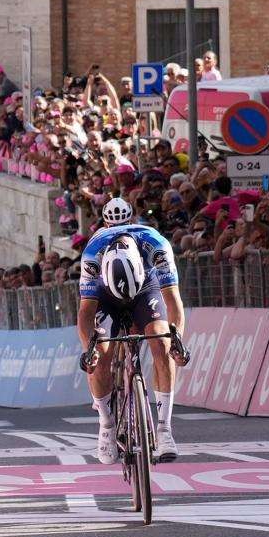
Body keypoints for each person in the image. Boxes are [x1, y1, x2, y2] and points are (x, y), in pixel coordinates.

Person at [77, 196, 189, 465]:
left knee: (162, 342)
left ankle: (164, 429)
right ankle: (106, 424)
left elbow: (173, 301)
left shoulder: (157, 247)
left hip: (145, 289)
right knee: (100, 355)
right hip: (105, 295)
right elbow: (85, 312)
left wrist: (178, 339)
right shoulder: (92, 255)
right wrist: (88, 349)